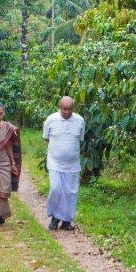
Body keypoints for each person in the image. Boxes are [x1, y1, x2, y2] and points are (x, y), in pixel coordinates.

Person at [43, 96, 84, 231]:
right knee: (56, 189)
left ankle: (66, 221)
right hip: (55, 162)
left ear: (73, 108)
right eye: (64, 109)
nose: (67, 112)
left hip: (73, 164)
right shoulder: (51, 119)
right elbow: (46, 138)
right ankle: (55, 218)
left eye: (69, 109)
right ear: (59, 107)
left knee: (70, 193)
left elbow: (80, 139)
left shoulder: (79, 120)